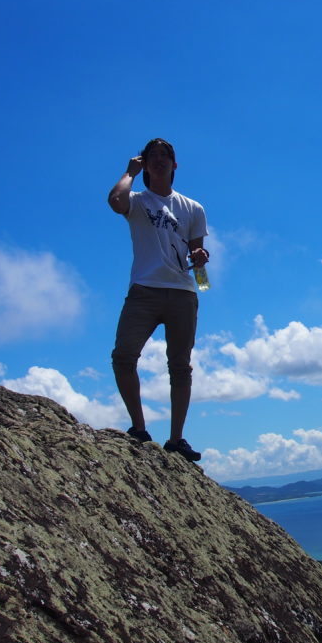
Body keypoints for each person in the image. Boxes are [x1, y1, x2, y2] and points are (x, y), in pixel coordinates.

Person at [107, 138, 209, 462]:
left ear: (175, 164)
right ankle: (139, 428)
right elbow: (115, 201)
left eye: (166, 155)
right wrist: (129, 172)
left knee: (180, 367)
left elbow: (197, 256)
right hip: (144, 290)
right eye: (153, 156)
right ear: (145, 164)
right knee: (124, 355)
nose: (160, 159)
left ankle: (176, 439)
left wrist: (201, 259)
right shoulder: (137, 201)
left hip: (182, 292)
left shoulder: (193, 208)